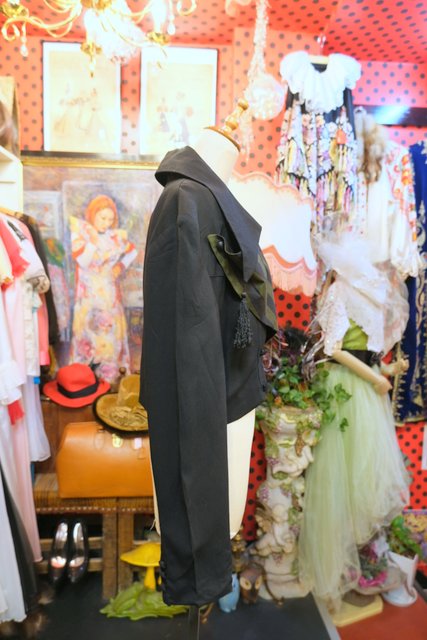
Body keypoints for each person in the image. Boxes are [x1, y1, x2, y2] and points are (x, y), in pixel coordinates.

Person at [140, 103, 277, 606]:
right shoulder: (185, 201)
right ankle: (196, 581)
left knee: (221, 519)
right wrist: (198, 434)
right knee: (201, 521)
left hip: (226, 406)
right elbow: (185, 337)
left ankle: (205, 578)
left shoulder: (213, 198)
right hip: (200, 414)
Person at [298, 233, 410, 609]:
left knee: (362, 477)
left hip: (365, 389)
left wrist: (388, 368)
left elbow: (366, 351)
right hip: (346, 389)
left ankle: (357, 568)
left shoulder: (369, 293)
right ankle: (334, 571)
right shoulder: (339, 292)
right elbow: (333, 348)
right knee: (339, 478)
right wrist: (374, 378)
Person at [69, 194, 137, 383]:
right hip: (88, 296)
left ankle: (109, 378)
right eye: (102, 218)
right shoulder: (81, 234)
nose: (106, 223)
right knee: (88, 334)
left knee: (110, 334)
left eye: (110, 219)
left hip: (108, 295)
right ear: (92, 215)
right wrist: (92, 239)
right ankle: (85, 380)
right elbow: (84, 261)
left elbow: (132, 251)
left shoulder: (114, 237)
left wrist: (120, 266)